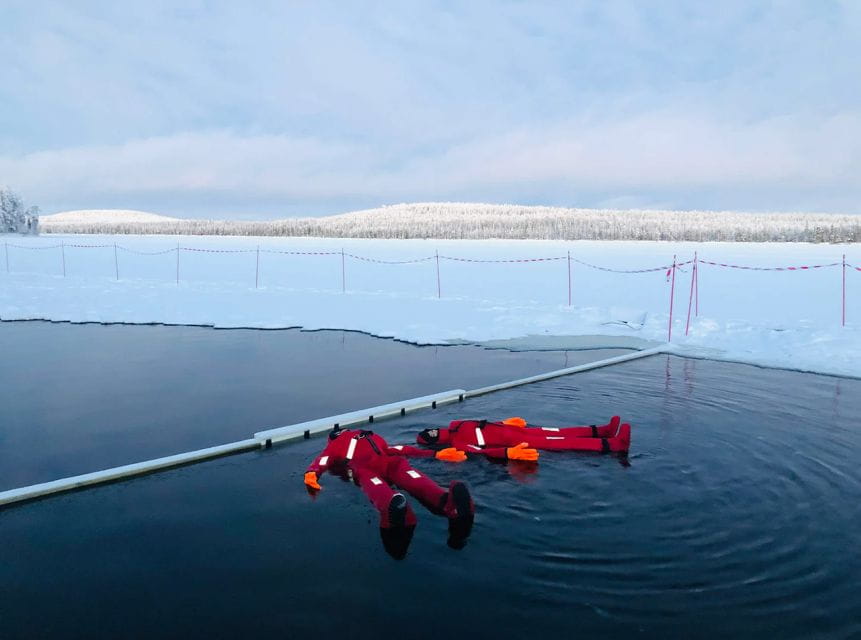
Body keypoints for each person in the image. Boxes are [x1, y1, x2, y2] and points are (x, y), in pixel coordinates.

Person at [304, 426, 517, 557]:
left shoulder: (347, 441)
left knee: (400, 482)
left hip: (380, 463)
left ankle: (401, 509)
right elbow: (400, 449)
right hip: (377, 464)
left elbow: (322, 461)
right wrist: (313, 472)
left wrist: (435, 455)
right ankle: (444, 503)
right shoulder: (354, 440)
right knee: (411, 479)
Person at [416, 415, 631, 456]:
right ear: (434, 442)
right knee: (561, 441)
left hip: (514, 430)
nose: (432, 432)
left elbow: (483, 425)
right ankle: (614, 445)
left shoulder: (456, 423)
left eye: (429, 430)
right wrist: (509, 452)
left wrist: (505, 422)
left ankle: (601, 431)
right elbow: (486, 452)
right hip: (514, 441)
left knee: (558, 431)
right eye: (430, 435)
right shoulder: (458, 443)